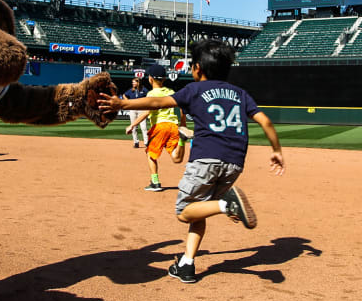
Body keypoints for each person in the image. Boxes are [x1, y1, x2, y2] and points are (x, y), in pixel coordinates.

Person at [98, 39, 285, 283]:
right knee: (199, 211)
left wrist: (123, 103)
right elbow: (266, 121)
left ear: (197, 68)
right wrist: (276, 150)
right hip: (235, 162)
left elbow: (156, 102)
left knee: (184, 212)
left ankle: (226, 205)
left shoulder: (194, 90)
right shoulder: (240, 93)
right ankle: (187, 263)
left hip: (206, 159)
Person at [125, 63, 186, 191]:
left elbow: (147, 112)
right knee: (176, 158)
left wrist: (132, 124)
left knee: (150, 154)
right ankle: (182, 139)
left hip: (160, 126)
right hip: (173, 126)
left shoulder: (151, 94)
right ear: (164, 79)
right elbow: (180, 110)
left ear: (150, 79)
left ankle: (155, 182)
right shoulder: (171, 92)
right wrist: (183, 125)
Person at [122, 77, 149, 149]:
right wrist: (128, 101)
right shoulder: (131, 90)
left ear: (138, 82)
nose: (133, 83)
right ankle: (136, 142)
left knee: (144, 127)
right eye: (132, 82)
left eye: (134, 82)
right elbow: (124, 95)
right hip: (133, 109)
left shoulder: (144, 90)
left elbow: (149, 97)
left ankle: (146, 143)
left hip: (142, 110)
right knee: (133, 127)